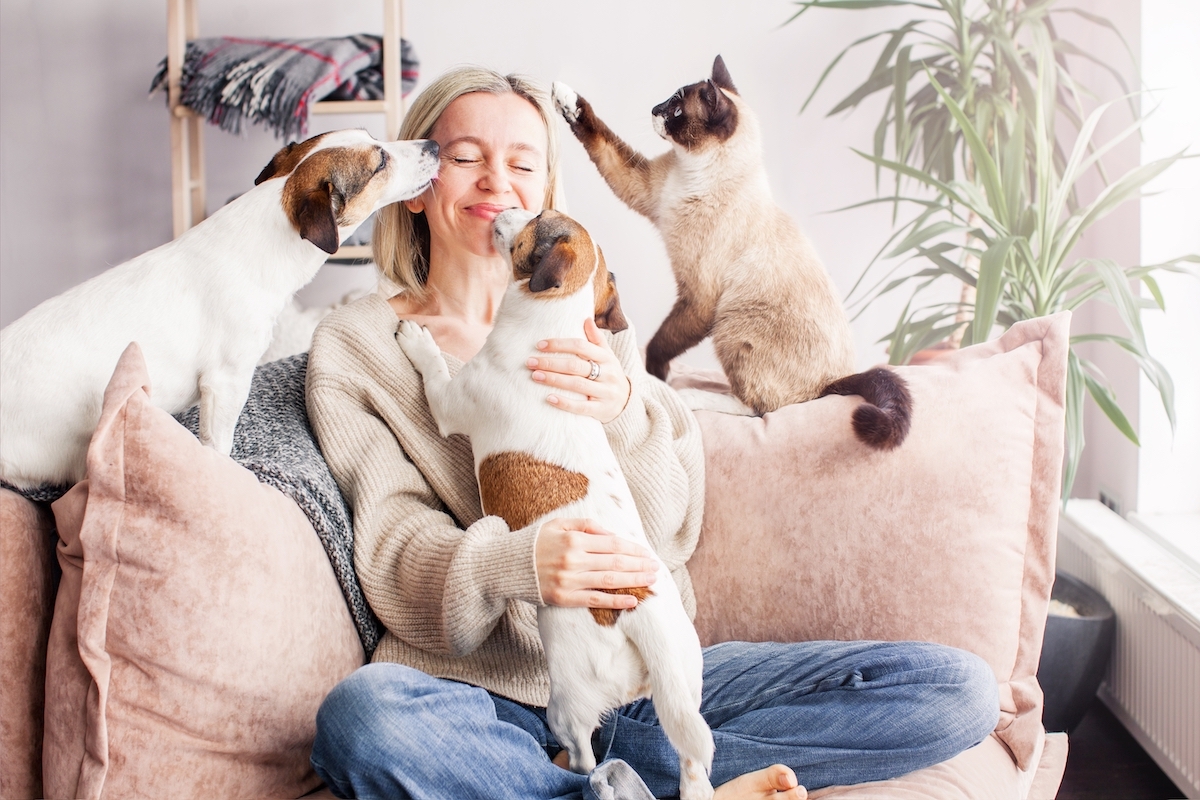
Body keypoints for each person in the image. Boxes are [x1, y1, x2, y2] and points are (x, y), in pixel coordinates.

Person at [304, 65, 999, 800]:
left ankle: (611, 784)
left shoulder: (591, 317)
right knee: (360, 721)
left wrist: (624, 406)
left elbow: (670, 527)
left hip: (642, 678)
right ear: (418, 184)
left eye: (522, 164)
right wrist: (521, 563)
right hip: (485, 703)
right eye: (465, 158)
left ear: (545, 191)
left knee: (957, 690)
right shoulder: (361, 345)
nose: (495, 184)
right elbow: (390, 559)